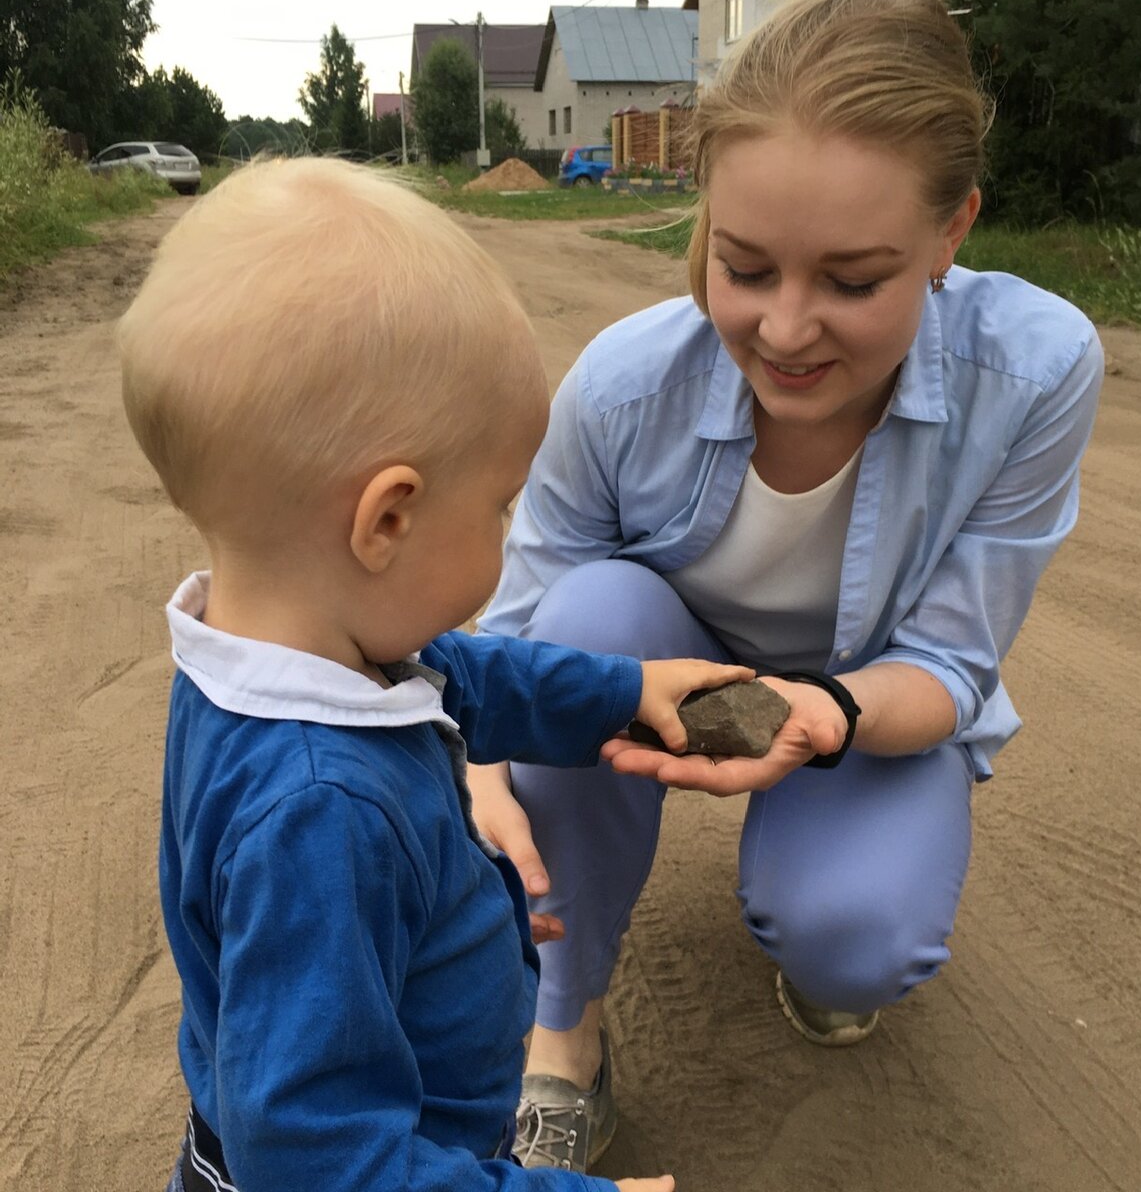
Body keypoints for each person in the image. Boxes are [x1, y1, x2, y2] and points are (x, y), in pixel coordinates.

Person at [467, 0, 1105, 1172]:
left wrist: (829, 720)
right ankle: (562, 1029)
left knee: (854, 939)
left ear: (953, 229)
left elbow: (956, 660)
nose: (788, 330)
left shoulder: (1039, 372)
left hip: (868, 698)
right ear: (707, 217)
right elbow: (514, 634)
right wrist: (483, 768)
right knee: (586, 626)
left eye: (856, 281)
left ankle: (818, 915)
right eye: (745, 267)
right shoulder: (619, 389)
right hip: (663, 654)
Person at [119, 156, 757, 1192]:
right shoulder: (320, 814)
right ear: (389, 520)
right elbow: (321, 1161)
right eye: (502, 504)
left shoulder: (276, 656)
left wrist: (625, 693)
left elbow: (466, 679)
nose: (511, 531)